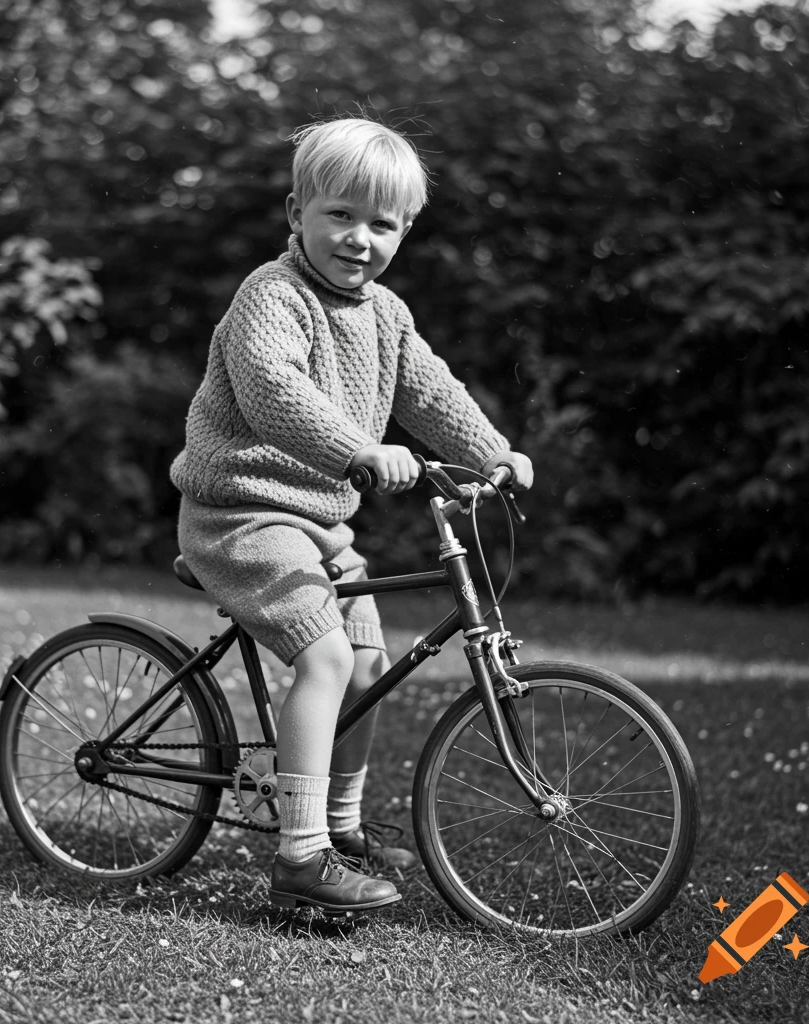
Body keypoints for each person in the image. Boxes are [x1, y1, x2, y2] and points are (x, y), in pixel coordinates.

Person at [169, 116, 534, 915]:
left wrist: (495, 452)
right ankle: (299, 857)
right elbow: (273, 391)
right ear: (297, 211)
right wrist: (358, 450)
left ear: (405, 233)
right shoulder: (272, 295)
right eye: (341, 214)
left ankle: (338, 826)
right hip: (241, 513)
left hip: (319, 524)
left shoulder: (387, 315)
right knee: (327, 659)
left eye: (383, 224)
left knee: (370, 664)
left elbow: (431, 392)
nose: (359, 238)